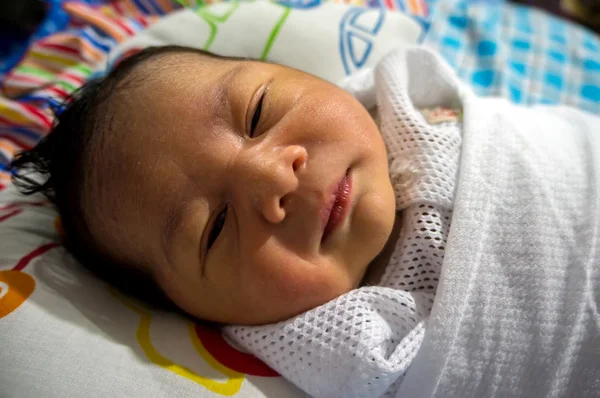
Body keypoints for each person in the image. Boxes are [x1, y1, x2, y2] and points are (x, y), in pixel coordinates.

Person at [11, 44, 600, 397]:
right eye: (214, 229)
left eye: (259, 112)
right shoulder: (347, 347)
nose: (273, 177)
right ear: (212, 316)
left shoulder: (395, 105)